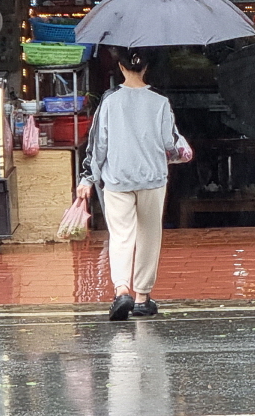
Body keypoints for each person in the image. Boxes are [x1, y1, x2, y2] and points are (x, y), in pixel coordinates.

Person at [79, 48, 180, 321]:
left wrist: (88, 177)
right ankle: (142, 297)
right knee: (149, 236)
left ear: (120, 68)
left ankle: (122, 291)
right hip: (152, 178)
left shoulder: (110, 102)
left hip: (117, 179)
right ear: (146, 68)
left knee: (122, 236)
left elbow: (98, 144)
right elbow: (170, 143)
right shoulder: (160, 102)